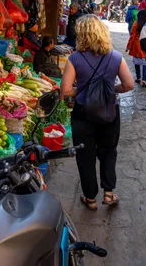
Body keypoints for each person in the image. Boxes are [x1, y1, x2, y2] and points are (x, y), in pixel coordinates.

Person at [61, 15, 134, 210]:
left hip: (83, 114)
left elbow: (66, 90)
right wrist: (110, 90)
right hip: (109, 112)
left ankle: (90, 198)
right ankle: (109, 194)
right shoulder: (115, 56)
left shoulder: (75, 58)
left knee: (85, 156)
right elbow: (128, 85)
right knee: (109, 151)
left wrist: (84, 90)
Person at [126, 9, 146, 88]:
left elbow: (132, 36)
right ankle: (144, 79)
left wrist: (128, 46)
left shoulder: (136, 23)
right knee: (145, 63)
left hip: (137, 45)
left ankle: (138, 77)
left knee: (137, 62)